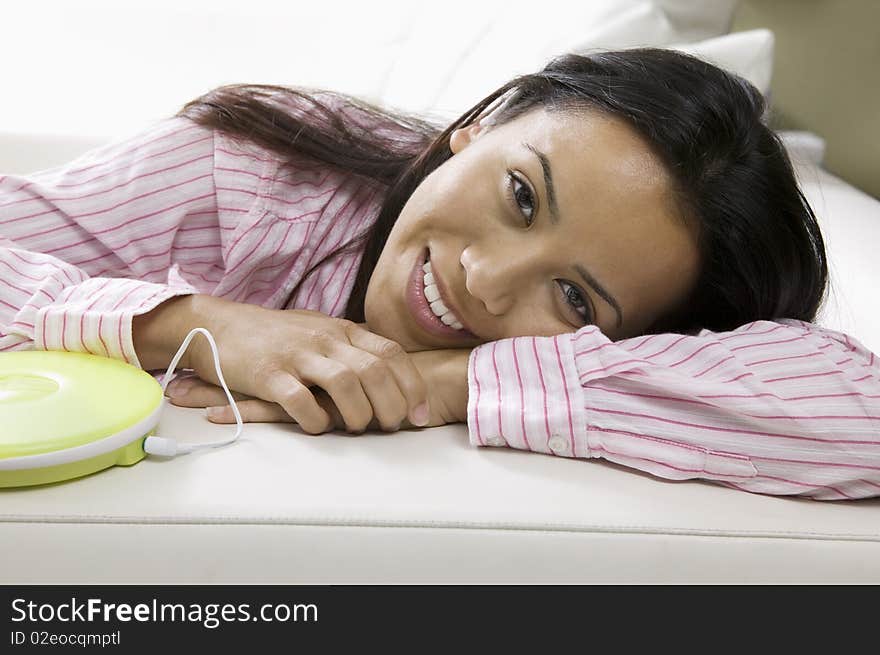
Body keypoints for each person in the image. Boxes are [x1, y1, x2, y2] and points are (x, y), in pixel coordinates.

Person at [1, 49, 878, 500]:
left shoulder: (603, 354)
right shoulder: (249, 172)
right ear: (484, 121)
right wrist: (198, 322)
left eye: (575, 298)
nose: (484, 282)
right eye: (521, 196)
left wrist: (448, 381)